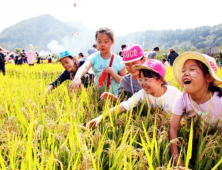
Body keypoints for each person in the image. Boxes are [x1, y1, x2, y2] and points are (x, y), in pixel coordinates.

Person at [87, 59, 181, 128]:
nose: (143, 83)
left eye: (147, 80)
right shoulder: (143, 94)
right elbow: (123, 106)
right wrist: (101, 116)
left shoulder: (174, 93)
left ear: (160, 81)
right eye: (140, 80)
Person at [169, 52, 222, 166]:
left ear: (208, 77)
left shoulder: (220, 99)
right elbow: (173, 128)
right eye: (183, 71)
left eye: (192, 69)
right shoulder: (182, 99)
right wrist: (177, 161)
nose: (185, 73)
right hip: (196, 142)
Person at [69, 27, 126, 95]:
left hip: (114, 97)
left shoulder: (119, 60)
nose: (102, 44)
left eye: (106, 42)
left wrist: (114, 74)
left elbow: (124, 82)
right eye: (99, 41)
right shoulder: (94, 57)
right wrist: (77, 78)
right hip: (97, 96)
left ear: (112, 42)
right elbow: (84, 67)